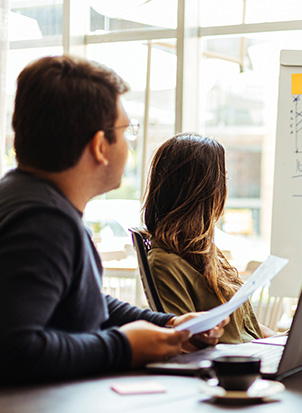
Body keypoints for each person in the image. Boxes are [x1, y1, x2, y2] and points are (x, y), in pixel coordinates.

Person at [0, 56, 227, 385]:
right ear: (99, 146)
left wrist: (166, 325)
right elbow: (14, 350)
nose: (129, 144)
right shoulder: (44, 222)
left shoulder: (26, 199)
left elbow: (80, 300)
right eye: (126, 131)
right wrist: (125, 347)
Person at [143, 133, 274, 343]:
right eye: (222, 178)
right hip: (227, 367)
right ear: (207, 190)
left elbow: (244, 328)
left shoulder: (204, 250)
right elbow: (183, 343)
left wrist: (288, 338)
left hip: (250, 354)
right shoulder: (164, 263)